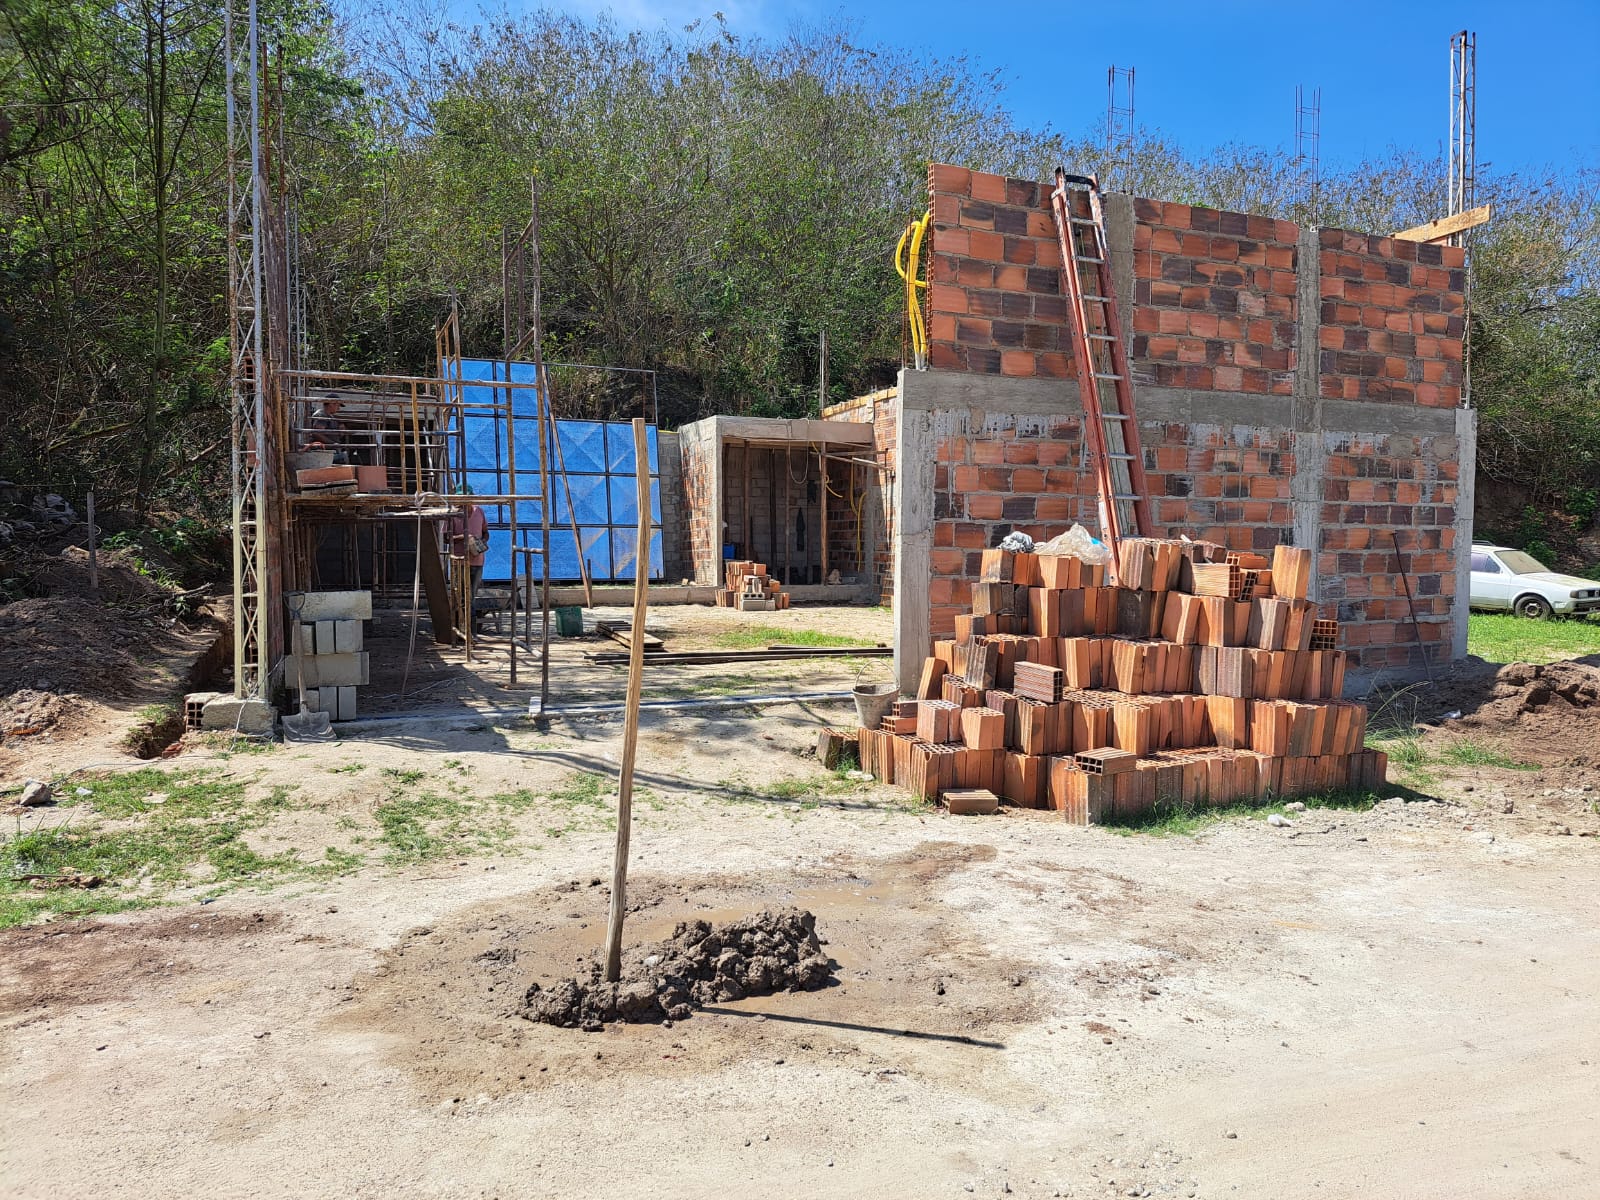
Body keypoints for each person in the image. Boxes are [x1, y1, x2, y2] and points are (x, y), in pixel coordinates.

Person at [446, 501, 490, 635]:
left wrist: (481, 542)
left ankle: (470, 631)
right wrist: (464, 537)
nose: (462, 506)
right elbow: (446, 538)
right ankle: (461, 629)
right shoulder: (452, 514)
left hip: (477, 561)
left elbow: (486, 533)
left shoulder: (479, 511)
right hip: (459, 561)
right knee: (460, 597)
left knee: (471, 597)